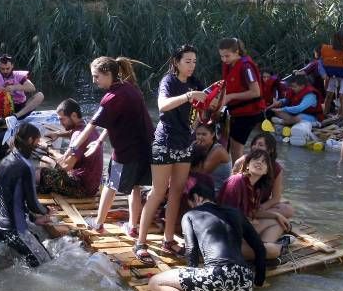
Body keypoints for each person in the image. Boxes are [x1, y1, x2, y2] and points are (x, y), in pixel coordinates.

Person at [149, 174, 266, 291]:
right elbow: (260, 248)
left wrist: (191, 289)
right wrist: (258, 282)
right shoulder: (236, 213)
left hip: (217, 274)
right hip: (245, 281)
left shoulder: (191, 215)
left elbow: (192, 251)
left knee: (155, 282)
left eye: (191, 203)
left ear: (197, 198)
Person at [67, 57, 153, 239]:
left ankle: (98, 224)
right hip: (144, 148)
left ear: (108, 74)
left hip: (126, 151)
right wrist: (99, 142)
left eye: (96, 76)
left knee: (110, 185)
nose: (94, 81)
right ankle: (133, 226)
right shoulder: (131, 88)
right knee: (135, 186)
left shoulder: (112, 98)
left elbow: (91, 125)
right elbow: (114, 121)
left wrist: (72, 150)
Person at [134, 45, 205, 263]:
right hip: (164, 143)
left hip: (185, 144)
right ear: (176, 62)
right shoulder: (168, 82)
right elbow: (162, 106)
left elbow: (204, 107)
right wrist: (188, 96)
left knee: (176, 193)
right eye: (187, 61)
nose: (191, 66)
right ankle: (141, 242)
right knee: (158, 192)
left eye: (194, 61)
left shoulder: (196, 83)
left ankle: (168, 240)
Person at [0, 123, 53, 268]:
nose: (38, 146)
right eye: (37, 142)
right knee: (47, 264)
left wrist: (32, 219)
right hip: (14, 230)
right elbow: (33, 203)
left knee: (5, 267)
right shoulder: (26, 166)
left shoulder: (6, 159)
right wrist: (47, 211)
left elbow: (11, 198)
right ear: (31, 140)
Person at [219, 149, 292, 260]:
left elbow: (253, 212)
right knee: (273, 251)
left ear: (266, 171)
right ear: (247, 164)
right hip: (226, 238)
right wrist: (251, 228)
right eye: (256, 159)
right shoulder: (237, 181)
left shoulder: (256, 187)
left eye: (264, 162)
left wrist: (277, 215)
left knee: (279, 222)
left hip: (242, 232)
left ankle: (262, 248)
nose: (259, 163)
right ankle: (276, 248)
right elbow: (229, 219)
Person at [38, 98, 103, 198]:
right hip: (92, 185)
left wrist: (48, 148)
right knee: (50, 162)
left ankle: (42, 194)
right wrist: (58, 134)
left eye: (62, 119)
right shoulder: (88, 127)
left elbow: (66, 166)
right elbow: (72, 132)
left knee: (44, 167)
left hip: (82, 189)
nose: (60, 123)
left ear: (73, 115)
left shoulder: (78, 135)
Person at [219, 37, 266, 162]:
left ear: (237, 52)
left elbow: (256, 92)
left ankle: (237, 178)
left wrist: (231, 97)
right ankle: (233, 174)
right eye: (222, 56)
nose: (224, 59)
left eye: (227, 56)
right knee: (226, 145)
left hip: (249, 113)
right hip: (236, 112)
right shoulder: (230, 64)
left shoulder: (246, 67)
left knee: (236, 148)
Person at [231, 132, 294, 220]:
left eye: (260, 145)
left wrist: (262, 208)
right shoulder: (242, 161)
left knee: (288, 209)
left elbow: (276, 197)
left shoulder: (276, 168)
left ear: (270, 150)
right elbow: (232, 190)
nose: (256, 147)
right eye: (254, 144)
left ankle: (258, 215)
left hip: (259, 205)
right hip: (241, 205)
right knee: (277, 223)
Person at [0, 53, 44, 120]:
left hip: (20, 108)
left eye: (7, 68)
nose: (5, 71)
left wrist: (15, 87)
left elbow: (32, 88)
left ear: (12, 66)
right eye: (2, 69)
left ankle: (15, 117)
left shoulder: (18, 75)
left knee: (40, 95)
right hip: (2, 108)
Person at [190, 122, 232, 195]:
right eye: (198, 134)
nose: (200, 137)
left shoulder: (218, 150)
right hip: (203, 186)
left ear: (212, 134)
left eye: (204, 134)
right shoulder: (196, 145)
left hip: (217, 191)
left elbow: (200, 173)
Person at [319, 31, 343, 119]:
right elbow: (321, 62)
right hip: (333, 74)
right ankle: (325, 114)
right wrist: (324, 74)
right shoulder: (328, 49)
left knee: (342, 95)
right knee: (329, 94)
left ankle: (341, 116)